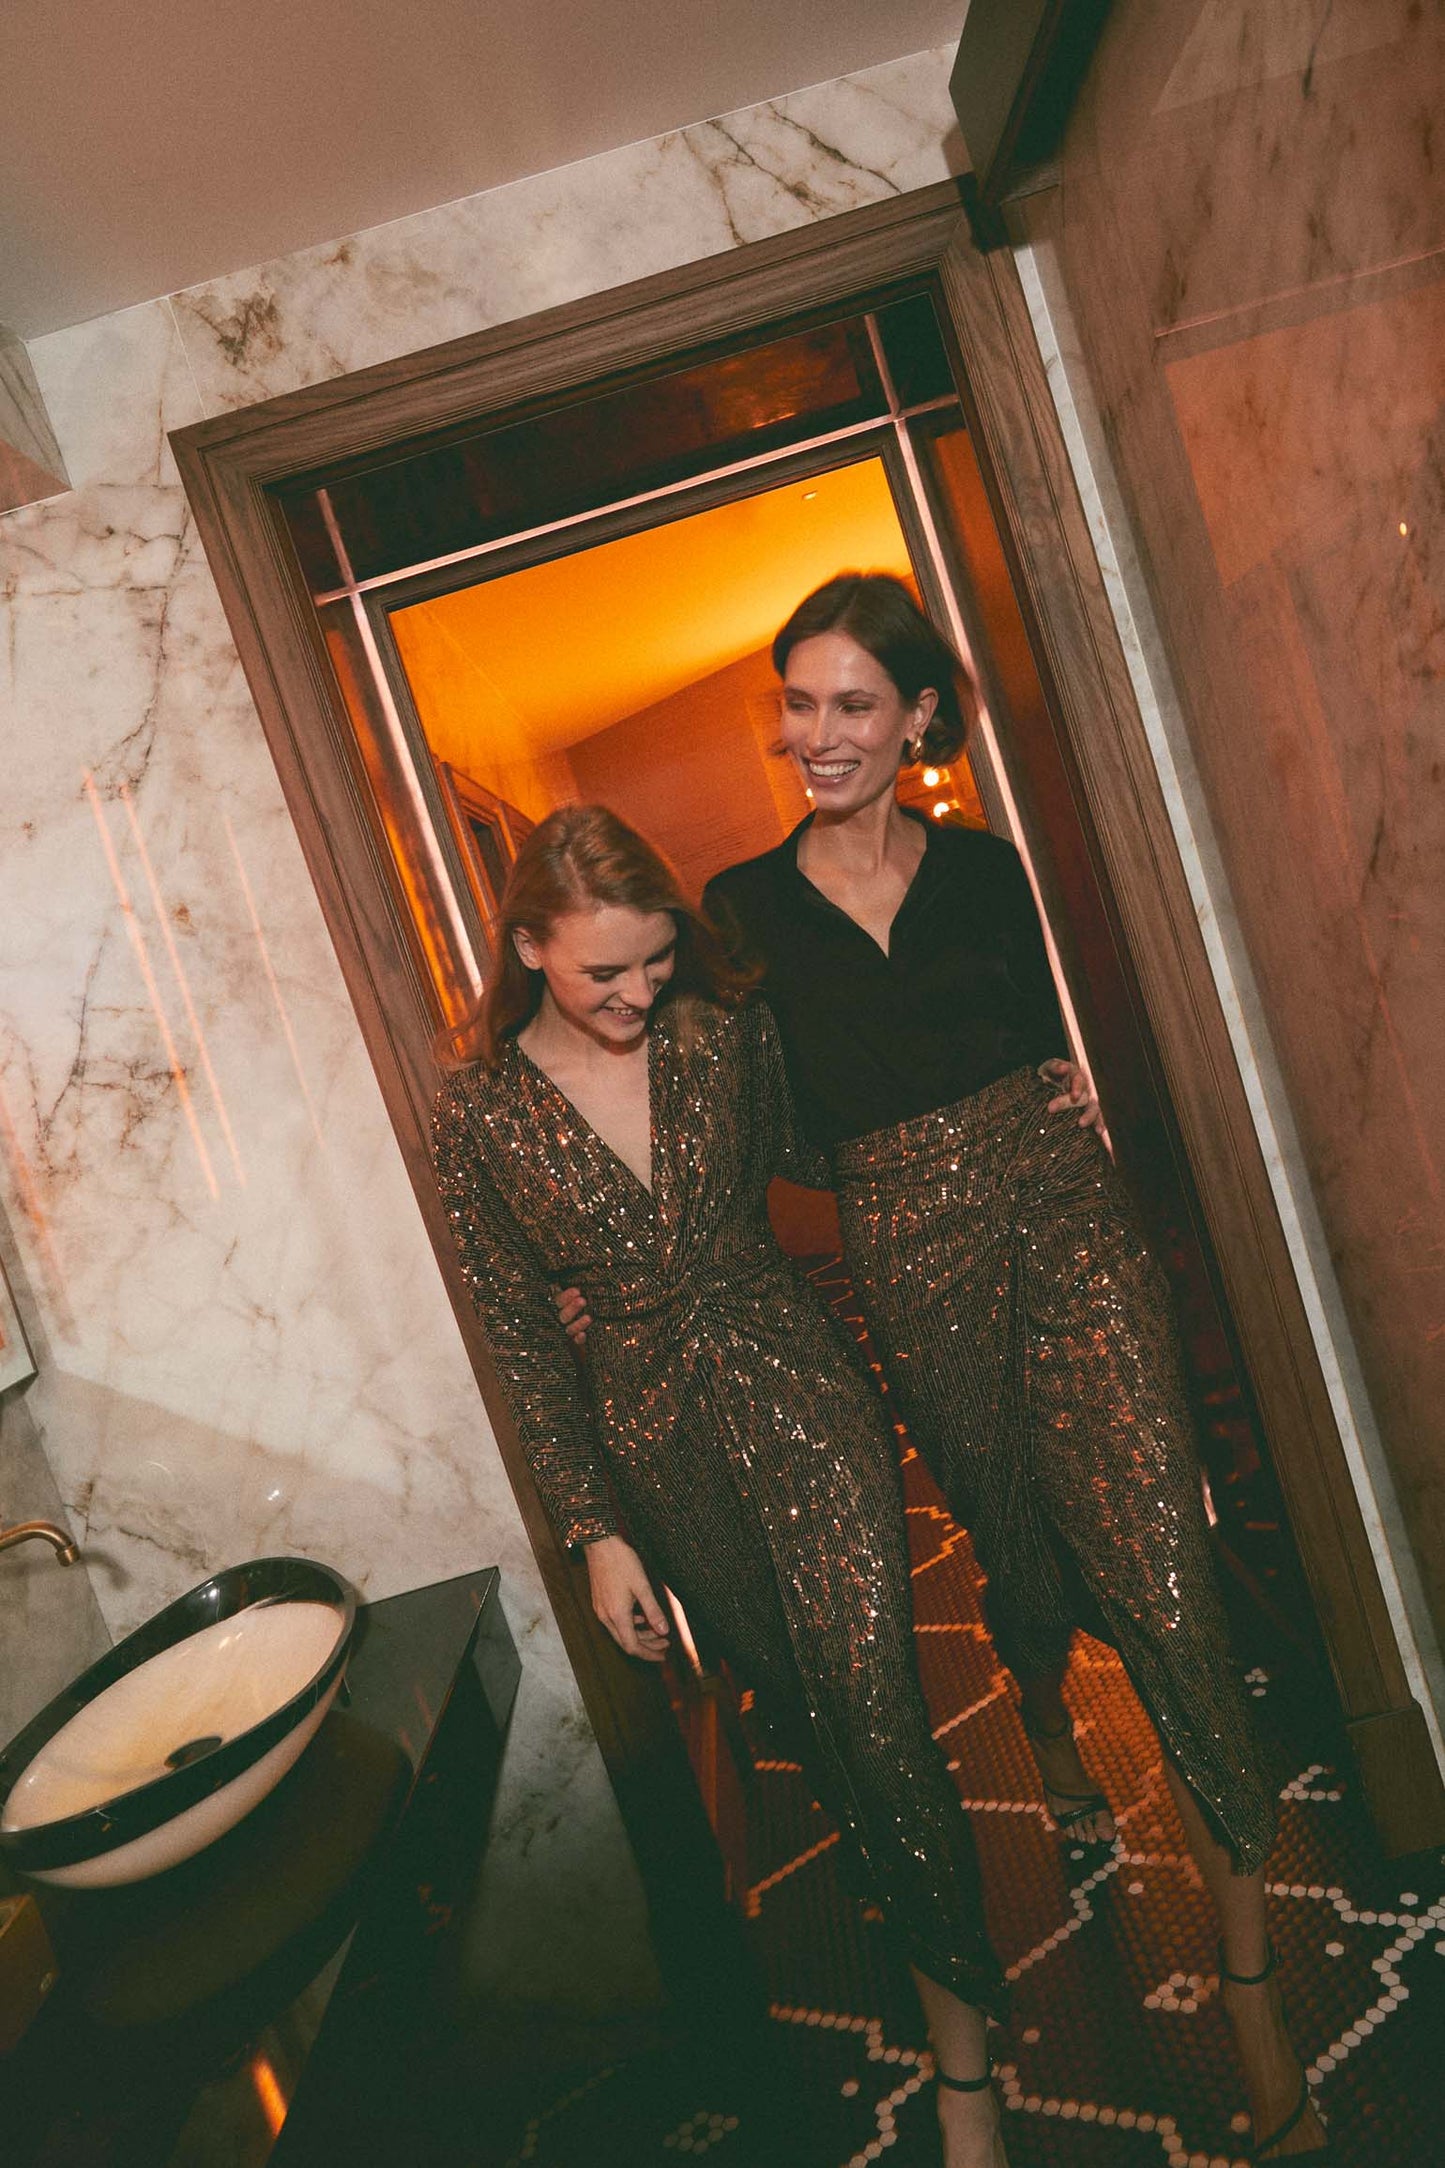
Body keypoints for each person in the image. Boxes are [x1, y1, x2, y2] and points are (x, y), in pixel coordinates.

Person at [560, 576, 1327, 2162]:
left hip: (1067, 1222)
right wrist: (616, 1258)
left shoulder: (985, 872)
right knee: (1015, 1540)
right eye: (795, 704)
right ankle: (1042, 1710)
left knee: (1163, 1569)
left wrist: (1079, 1096)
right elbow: (725, 1119)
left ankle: (1254, 1992)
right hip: (906, 1261)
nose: (815, 734)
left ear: (916, 716)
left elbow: (1054, 1035)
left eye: (850, 703)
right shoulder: (737, 916)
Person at [430, 803, 1015, 2168]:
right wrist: (596, 1533)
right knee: (805, 1717)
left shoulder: (722, 1033)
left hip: (804, 1394)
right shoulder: (478, 1116)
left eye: (653, 960)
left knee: (878, 1710)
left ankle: (965, 2072)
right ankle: (912, 1913)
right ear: (529, 948)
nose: (638, 993)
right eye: (604, 970)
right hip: (659, 1445)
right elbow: (522, 1340)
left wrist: (1018, 1094)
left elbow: (846, 1139)